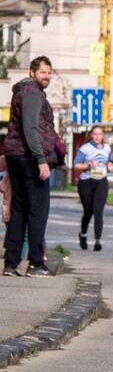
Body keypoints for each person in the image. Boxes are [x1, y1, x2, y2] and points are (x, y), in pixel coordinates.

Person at [2, 56, 59, 278]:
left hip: (16, 155)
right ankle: (36, 263)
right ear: (33, 72)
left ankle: (11, 263)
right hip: (28, 157)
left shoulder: (20, 91)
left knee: (19, 209)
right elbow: (30, 128)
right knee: (38, 210)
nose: (47, 76)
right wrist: (41, 159)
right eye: (43, 72)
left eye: (49, 72)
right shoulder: (32, 93)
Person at [73, 125, 113, 251]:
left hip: (101, 182)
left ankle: (97, 241)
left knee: (98, 212)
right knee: (88, 212)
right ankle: (83, 234)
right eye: (95, 134)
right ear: (91, 135)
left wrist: (110, 165)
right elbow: (76, 166)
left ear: (102, 136)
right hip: (86, 182)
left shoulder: (107, 148)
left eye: (100, 134)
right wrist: (89, 164)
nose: (97, 137)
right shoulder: (85, 149)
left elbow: (110, 161)